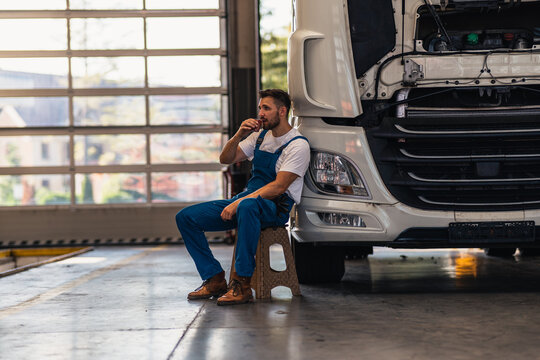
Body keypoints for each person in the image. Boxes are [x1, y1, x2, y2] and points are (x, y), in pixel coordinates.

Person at [175, 89, 310, 306]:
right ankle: (214, 278)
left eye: (266, 108)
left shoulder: (297, 145)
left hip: (274, 207)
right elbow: (225, 158)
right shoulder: (260, 137)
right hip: (247, 201)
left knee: (247, 206)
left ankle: (242, 283)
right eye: (260, 108)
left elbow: (278, 186)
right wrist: (239, 135)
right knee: (186, 217)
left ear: (282, 111)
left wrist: (238, 202)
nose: (260, 113)